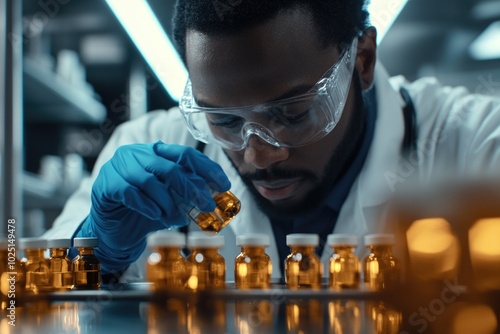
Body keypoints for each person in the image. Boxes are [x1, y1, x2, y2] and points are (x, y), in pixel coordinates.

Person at [43, 0, 500, 283]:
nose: (258, 155)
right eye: (222, 118)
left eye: (293, 113)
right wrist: (95, 252)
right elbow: (14, 305)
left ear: (361, 60)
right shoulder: (153, 144)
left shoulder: (475, 141)